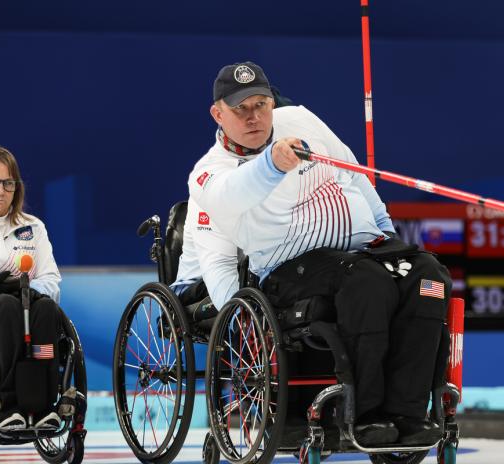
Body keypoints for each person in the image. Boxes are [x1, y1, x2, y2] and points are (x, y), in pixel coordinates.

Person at [187, 61, 452, 446]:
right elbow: (235, 193)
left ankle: (408, 413)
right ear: (218, 113)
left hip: (361, 249)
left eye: (260, 104)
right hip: (289, 270)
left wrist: (387, 233)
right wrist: (272, 164)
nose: (253, 117)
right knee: (367, 281)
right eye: (240, 108)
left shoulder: (299, 118)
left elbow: (353, 171)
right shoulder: (209, 172)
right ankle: (365, 415)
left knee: (427, 274)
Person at [0, 145, 62, 432]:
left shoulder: (33, 227)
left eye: (8, 183)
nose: (0, 190)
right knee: (3, 305)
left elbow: (52, 281)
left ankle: (45, 405)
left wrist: (26, 289)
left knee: (46, 308)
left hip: (27, 307)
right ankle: (8, 404)